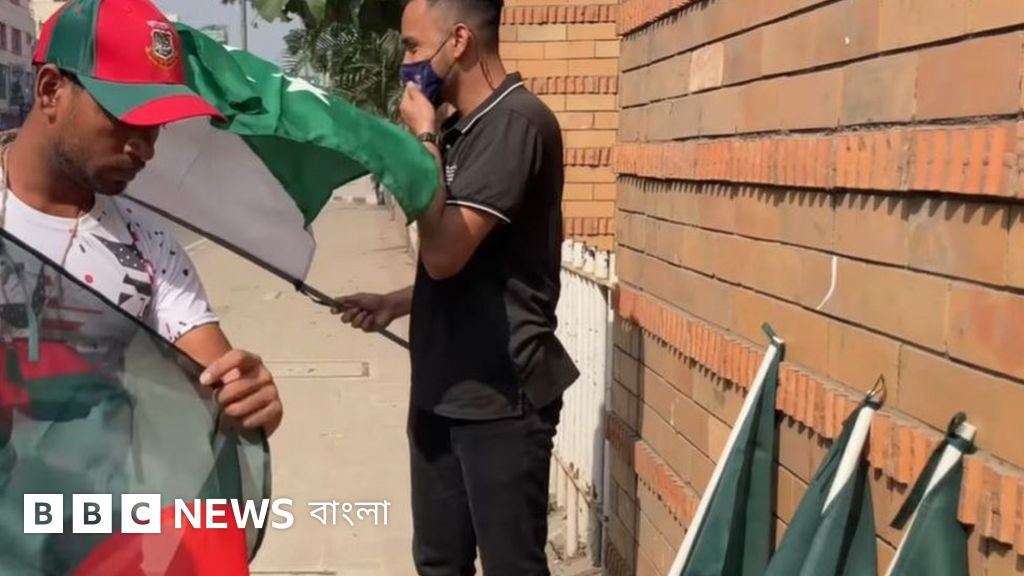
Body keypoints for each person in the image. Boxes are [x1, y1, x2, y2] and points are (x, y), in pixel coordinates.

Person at [334, 0, 579, 572]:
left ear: (460, 41)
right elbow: (477, 268)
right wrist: (398, 302)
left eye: (414, 47)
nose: (406, 63)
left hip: (500, 397)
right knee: (439, 562)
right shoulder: (461, 128)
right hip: (441, 388)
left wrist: (423, 138)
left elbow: (444, 255)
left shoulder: (514, 124)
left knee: (510, 564)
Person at [0, 0, 283, 436]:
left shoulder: (148, 246)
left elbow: (220, 389)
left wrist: (250, 399)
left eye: (156, 126)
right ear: (50, 90)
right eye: (126, 116)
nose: (145, 149)